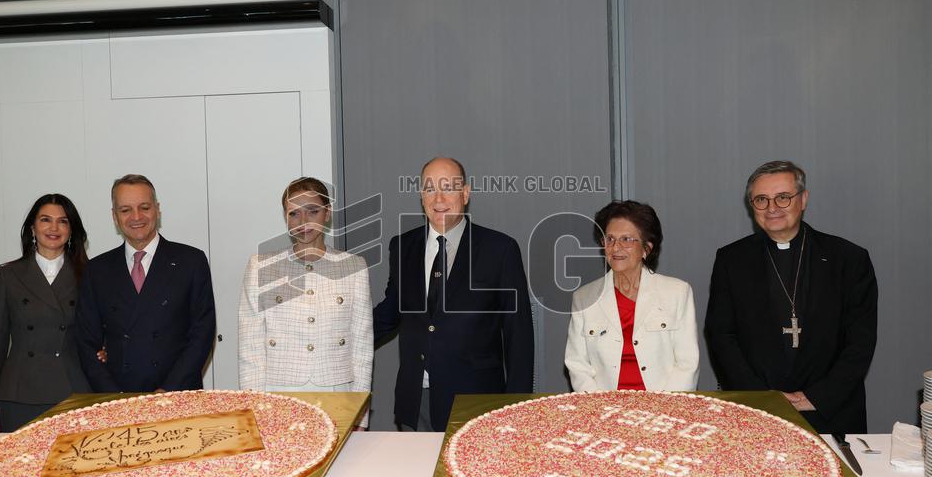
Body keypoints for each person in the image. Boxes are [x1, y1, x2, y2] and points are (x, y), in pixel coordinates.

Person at [705, 160, 878, 434]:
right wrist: (763, 397)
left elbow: (860, 342)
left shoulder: (848, 259)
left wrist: (817, 397)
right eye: (761, 199)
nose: (772, 208)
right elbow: (721, 336)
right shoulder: (731, 260)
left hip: (832, 411)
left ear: (803, 199)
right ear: (752, 206)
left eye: (783, 197)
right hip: (758, 412)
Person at [373, 157, 534, 431]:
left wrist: (516, 408)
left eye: (448, 187)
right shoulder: (403, 246)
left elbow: (518, 336)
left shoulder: (500, 249)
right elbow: (391, 312)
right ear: (421, 196)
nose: (438, 198)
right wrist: (339, 338)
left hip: (478, 403)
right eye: (429, 188)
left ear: (466, 193)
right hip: (416, 402)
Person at [237, 177, 373, 419]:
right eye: (294, 214)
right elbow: (251, 347)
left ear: (327, 213)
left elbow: (361, 347)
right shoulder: (261, 267)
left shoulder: (354, 267)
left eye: (312, 211)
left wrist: (359, 413)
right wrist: (254, 408)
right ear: (285, 218)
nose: (303, 222)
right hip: (279, 394)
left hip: (336, 394)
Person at [76, 174, 216, 392]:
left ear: (157, 209)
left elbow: (202, 334)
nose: (136, 216)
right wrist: (115, 396)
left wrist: (167, 391)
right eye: (125, 210)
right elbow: (86, 343)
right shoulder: (97, 270)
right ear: (114, 216)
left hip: (178, 395)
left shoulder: (191, 261)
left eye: (144, 207)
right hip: (119, 399)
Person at [0, 194, 92, 432]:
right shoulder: (7, 276)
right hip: (20, 393)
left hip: (73, 392)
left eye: (63, 221)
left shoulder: (90, 275)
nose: (54, 228)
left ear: (72, 229)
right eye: (45, 220)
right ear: (33, 227)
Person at [564, 201, 699, 392]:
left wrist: (664, 407)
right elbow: (577, 365)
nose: (616, 247)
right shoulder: (584, 297)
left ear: (646, 248)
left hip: (663, 408)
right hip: (604, 408)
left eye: (626, 239)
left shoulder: (677, 292)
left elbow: (687, 364)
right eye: (609, 239)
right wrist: (600, 408)